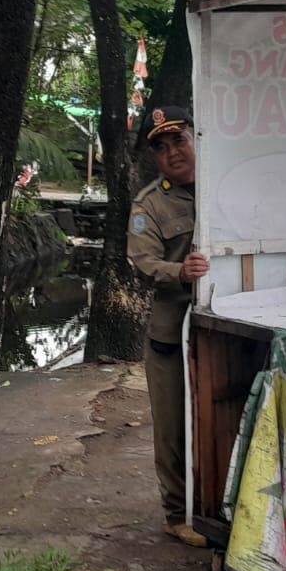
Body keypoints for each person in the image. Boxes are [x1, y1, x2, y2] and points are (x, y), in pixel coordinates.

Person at [127, 105, 208, 548]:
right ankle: (177, 515)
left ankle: (219, 506)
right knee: (173, 425)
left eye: (179, 139)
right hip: (171, 333)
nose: (172, 152)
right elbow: (142, 261)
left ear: (197, 139)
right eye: (160, 146)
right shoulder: (150, 204)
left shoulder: (225, 185)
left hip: (224, 331)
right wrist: (179, 271)